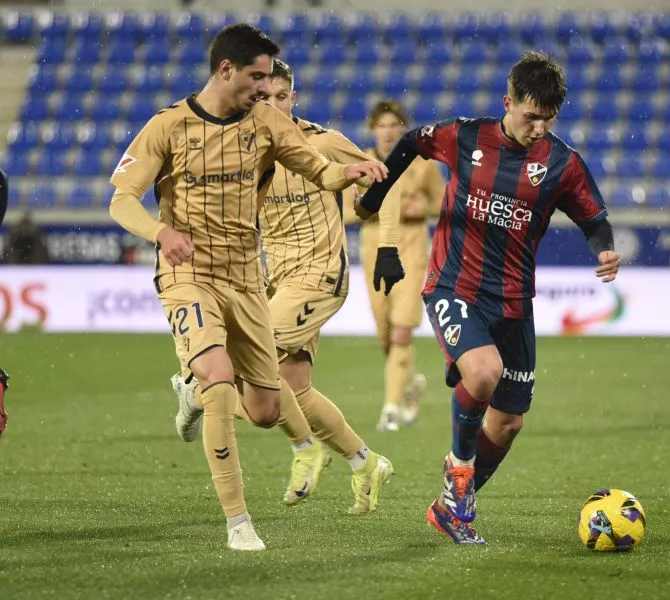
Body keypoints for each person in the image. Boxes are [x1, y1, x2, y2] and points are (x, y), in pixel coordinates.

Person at [108, 23, 387, 551]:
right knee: (219, 379)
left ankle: (195, 394)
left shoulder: (266, 123)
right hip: (189, 274)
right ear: (226, 70)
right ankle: (238, 522)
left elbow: (319, 171)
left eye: (270, 81)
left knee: (265, 408)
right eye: (257, 78)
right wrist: (160, 232)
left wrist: (352, 174)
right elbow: (122, 199)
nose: (264, 89)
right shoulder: (168, 125)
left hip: (247, 278)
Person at [357, 51, 620, 544]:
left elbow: (594, 219)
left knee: (507, 423)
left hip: (514, 302)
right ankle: (459, 471)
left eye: (548, 119)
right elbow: (411, 142)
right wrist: (374, 197)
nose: (539, 128)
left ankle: (451, 506)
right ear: (508, 103)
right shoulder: (467, 137)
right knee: (482, 373)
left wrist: (604, 249)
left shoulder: (562, 163)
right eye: (530, 116)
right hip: (454, 284)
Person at [172, 58, 395, 512]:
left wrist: (384, 239)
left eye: (280, 97)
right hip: (275, 281)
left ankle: (198, 394)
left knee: (243, 362)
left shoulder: (324, 142)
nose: (271, 105)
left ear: (293, 98)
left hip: (320, 277)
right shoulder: (247, 149)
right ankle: (365, 461)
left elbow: (379, 182)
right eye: (263, 97)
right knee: (289, 390)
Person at [350, 100, 445, 432]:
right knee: (386, 335)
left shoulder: (421, 164)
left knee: (402, 330)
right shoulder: (359, 163)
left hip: (412, 250)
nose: (389, 132)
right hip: (375, 250)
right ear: (373, 129)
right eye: (382, 125)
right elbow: (346, 212)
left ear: (403, 128)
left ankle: (390, 409)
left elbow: (443, 201)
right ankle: (409, 384)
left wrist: (423, 208)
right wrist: (375, 207)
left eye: (395, 125)